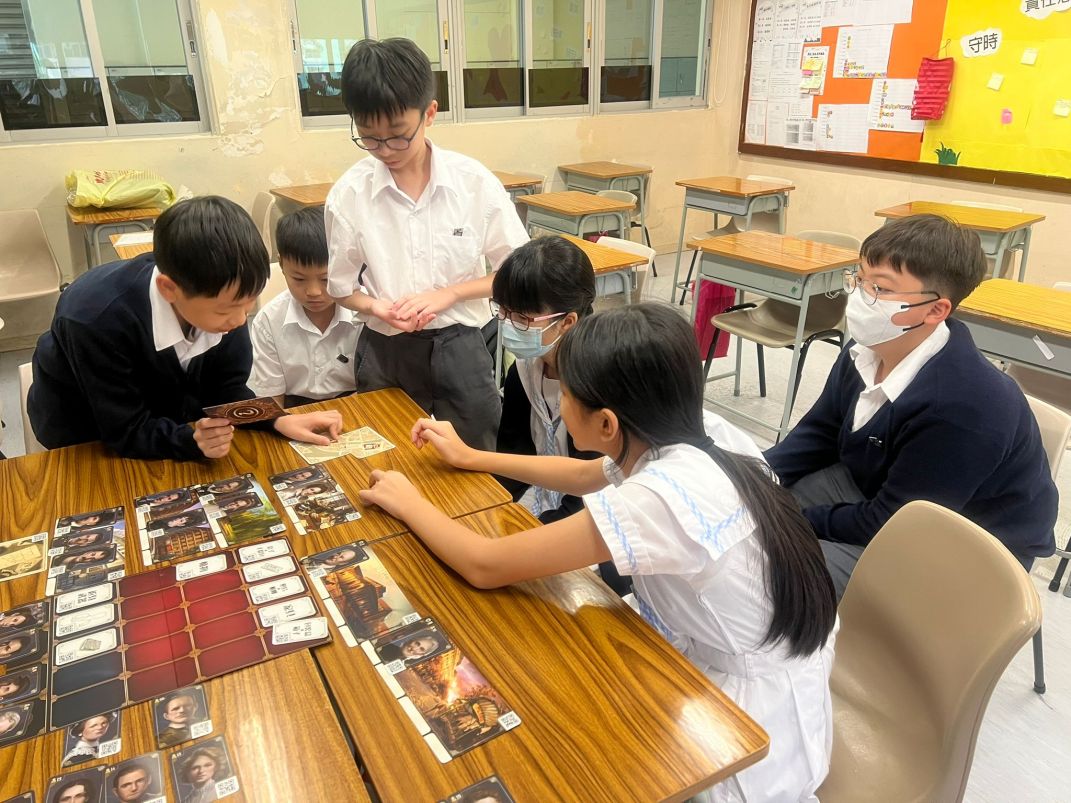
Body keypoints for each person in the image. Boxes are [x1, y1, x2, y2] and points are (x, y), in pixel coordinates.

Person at [360, 304, 839, 802]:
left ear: (606, 423)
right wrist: (472, 456)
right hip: (728, 654)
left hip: (741, 726)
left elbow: (485, 564)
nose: (561, 400)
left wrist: (410, 502)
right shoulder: (692, 433)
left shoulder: (659, 499)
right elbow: (585, 474)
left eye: (566, 393)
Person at [764, 214, 1059, 597]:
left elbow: (896, 522)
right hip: (887, 493)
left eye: (880, 288)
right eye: (859, 279)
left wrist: (801, 522)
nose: (860, 297)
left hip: (965, 547)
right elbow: (819, 432)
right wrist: (753, 475)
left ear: (936, 310)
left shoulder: (964, 408)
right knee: (753, 511)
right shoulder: (866, 350)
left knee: (774, 571)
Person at [325, 38, 529, 450]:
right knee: (386, 451)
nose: (385, 150)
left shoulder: (473, 184)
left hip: (461, 344)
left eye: (398, 136)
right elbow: (341, 289)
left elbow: (516, 273)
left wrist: (449, 294)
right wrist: (377, 307)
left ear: (429, 113)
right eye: (369, 138)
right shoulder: (349, 195)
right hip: (386, 349)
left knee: (478, 451)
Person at [28, 196, 343, 460]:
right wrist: (189, 440)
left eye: (248, 304)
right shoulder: (94, 320)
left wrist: (276, 420)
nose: (239, 320)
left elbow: (227, 389)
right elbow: (125, 429)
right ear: (169, 289)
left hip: (169, 422)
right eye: (226, 310)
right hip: (86, 437)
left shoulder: (224, 294)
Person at [249, 206, 361, 408]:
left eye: (326, 279)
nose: (313, 292)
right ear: (282, 265)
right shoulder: (269, 321)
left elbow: (378, 385)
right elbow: (272, 399)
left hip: (356, 401)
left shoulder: (364, 313)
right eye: (299, 279)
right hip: (296, 407)